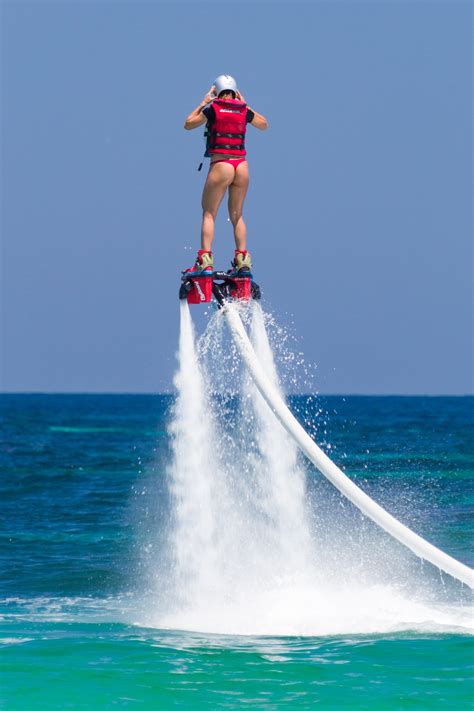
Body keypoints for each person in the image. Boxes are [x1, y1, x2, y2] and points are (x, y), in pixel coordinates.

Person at [183, 74, 268, 275]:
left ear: (216, 91)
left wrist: (203, 102)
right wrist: (245, 104)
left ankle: (205, 261)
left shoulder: (213, 108)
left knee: (209, 213)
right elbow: (264, 124)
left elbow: (188, 123)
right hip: (241, 166)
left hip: (222, 164)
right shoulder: (243, 110)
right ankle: (243, 261)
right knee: (237, 215)